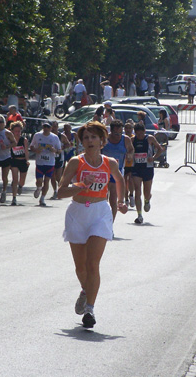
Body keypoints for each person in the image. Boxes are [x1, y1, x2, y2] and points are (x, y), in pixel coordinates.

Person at [58, 121, 128, 328]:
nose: (89, 141)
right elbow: (61, 191)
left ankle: (90, 308)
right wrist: (81, 185)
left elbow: (119, 180)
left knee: (92, 264)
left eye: (93, 137)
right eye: (86, 138)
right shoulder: (75, 162)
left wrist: (122, 201)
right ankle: (85, 290)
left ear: (102, 141)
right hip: (77, 214)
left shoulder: (110, 163)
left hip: (100, 213)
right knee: (80, 267)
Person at [131, 123, 164, 224]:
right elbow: (128, 151)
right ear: (135, 133)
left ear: (145, 131)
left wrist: (153, 158)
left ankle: (147, 200)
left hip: (148, 168)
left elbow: (160, 149)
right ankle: (139, 215)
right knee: (137, 190)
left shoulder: (150, 138)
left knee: (146, 192)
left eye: (142, 133)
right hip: (136, 167)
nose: (140, 136)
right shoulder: (132, 140)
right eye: (138, 134)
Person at [101, 119, 134, 220]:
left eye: (120, 132)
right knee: (102, 199)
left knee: (113, 199)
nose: (118, 135)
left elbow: (131, 149)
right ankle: (102, 221)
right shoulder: (105, 139)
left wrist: (129, 155)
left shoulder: (126, 139)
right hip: (103, 172)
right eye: (116, 133)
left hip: (117, 172)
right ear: (111, 131)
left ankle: (110, 224)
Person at [30, 122, 62, 206]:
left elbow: (59, 150)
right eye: (44, 126)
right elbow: (31, 146)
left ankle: (42, 198)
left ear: (51, 128)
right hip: (40, 162)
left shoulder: (54, 137)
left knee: (47, 181)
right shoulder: (37, 135)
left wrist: (54, 150)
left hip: (50, 163)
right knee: (39, 181)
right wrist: (36, 150)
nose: (46, 128)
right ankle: (38, 188)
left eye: (48, 127)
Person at [9, 121, 29, 206]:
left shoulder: (23, 140)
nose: (17, 133)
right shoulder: (10, 140)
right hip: (14, 160)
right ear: (12, 131)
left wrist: (27, 160)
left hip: (23, 161)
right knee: (15, 179)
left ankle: (20, 186)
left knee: (22, 181)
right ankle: (14, 198)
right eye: (16, 131)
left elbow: (26, 151)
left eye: (19, 131)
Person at [51, 121, 71, 199]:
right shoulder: (49, 136)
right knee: (52, 176)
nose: (53, 128)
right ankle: (55, 191)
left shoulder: (61, 136)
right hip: (51, 158)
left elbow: (68, 144)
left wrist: (61, 148)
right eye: (52, 126)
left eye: (55, 126)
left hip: (59, 157)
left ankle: (60, 190)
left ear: (57, 127)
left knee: (58, 176)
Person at [123, 121, 135, 207]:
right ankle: (126, 199)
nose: (128, 130)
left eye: (130, 128)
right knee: (124, 182)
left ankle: (131, 195)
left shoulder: (134, 138)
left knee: (130, 180)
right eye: (126, 128)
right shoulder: (122, 138)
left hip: (131, 163)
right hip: (123, 163)